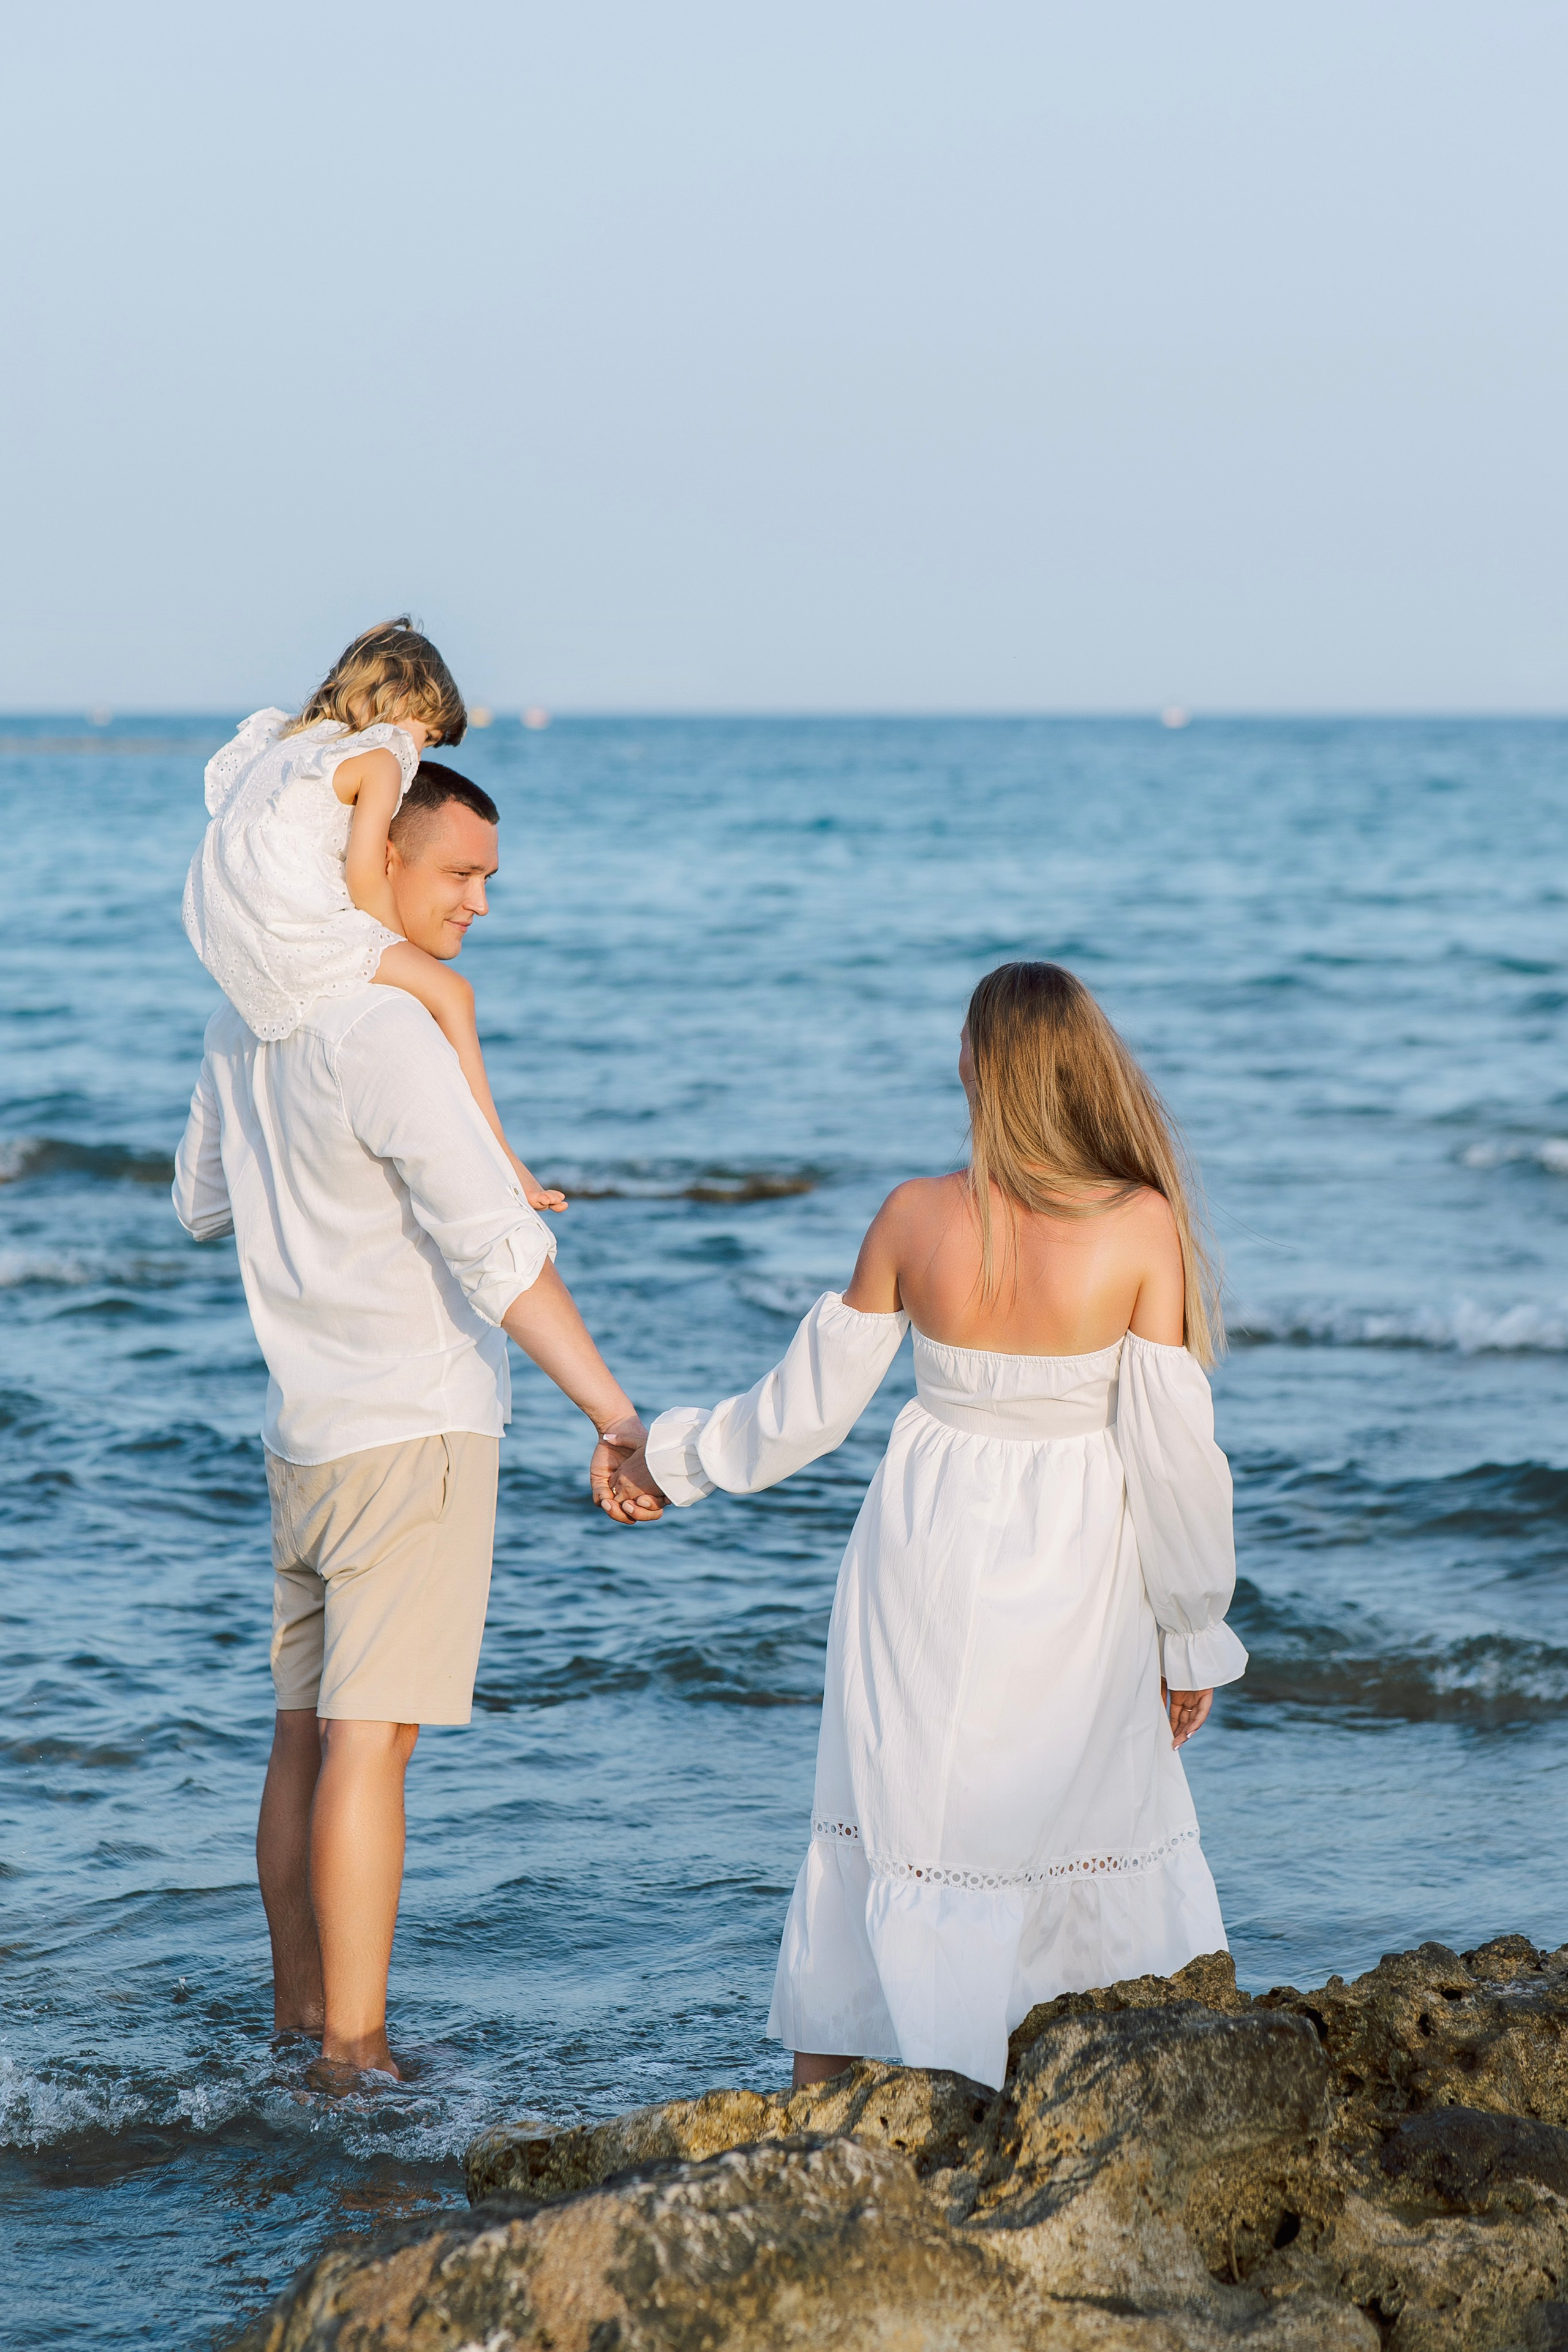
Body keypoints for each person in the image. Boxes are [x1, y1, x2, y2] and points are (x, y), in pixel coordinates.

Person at [603, 961, 1247, 2094]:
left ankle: (825, 2104)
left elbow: (798, 1413)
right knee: (1074, 1804)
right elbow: (1179, 1463)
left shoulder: (915, 1214)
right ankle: (1076, 2086)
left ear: (976, 1067)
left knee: (892, 1803)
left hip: (925, 1547)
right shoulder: (1141, 1225)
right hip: (1078, 1563)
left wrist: (669, 1460)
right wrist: (1190, 1636)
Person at [174, 762, 644, 2086]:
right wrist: (613, 1416)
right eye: (456, 872)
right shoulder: (384, 1035)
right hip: (414, 1429)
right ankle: (356, 2056)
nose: (479, 901)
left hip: (304, 1437)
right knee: (369, 1750)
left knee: (302, 1733)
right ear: (372, 856)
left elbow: (201, 1206)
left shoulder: (243, 1018)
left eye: (489, 878)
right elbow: (499, 1255)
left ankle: (297, 2022)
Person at [183, 616, 564, 1212]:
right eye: (427, 736)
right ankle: (505, 1160)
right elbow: (365, 873)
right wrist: (397, 951)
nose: (418, 755)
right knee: (452, 995)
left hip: (236, 931)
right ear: (398, 704)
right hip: (301, 928)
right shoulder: (381, 758)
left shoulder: (285, 747)